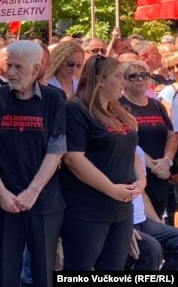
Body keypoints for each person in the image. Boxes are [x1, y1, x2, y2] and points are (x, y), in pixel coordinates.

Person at [0, 40, 66, 287]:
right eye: (8, 65)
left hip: (44, 200)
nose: (10, 72)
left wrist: (33, 191)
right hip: (7, 200)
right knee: (8, 270)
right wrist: (1, 191)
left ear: (36, 69)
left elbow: (56, 149)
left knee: (44, 270)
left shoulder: (54, 99)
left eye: (18, 67)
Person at [61, 55, 145, 270]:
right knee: (80, 268)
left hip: (121, 208)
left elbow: (130, 149)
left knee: (113, 269)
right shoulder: (76, 109)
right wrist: (111, 189)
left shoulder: (118, 111)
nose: (124, 82)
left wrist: (142, 179)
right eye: (118, 76)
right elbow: (73, 158)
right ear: (100, 79)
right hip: (88, 208)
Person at [119, 60, 176, 218]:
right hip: (139, 173)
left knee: (159, 215)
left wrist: (166, 161)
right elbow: (128, 141)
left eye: (145, 75)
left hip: (161, 172)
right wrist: (153, 165)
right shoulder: (118, 106)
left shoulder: (157, 104)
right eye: (133, 76)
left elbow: (171, 135)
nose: (140, 79)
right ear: (123, 80)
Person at [127, 146, 178, 271]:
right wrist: (122, 228)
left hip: (143, 221)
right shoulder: (106, 148)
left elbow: (142, 194)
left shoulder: (136, 150)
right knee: (151, 249)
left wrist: (158, 222)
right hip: (119, 221)